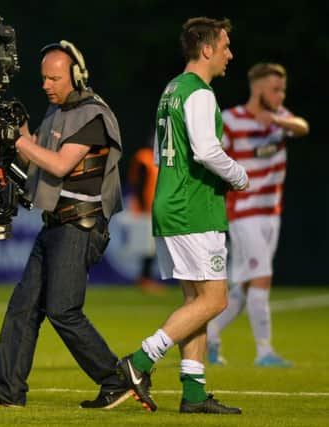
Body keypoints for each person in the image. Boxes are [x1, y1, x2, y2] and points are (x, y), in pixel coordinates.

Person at [0, 40, 130, 409]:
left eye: (54, 78)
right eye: (43, 78)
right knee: (23, 307)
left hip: (80, 225)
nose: (46, 85)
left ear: (77, 76)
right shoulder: (58, 111)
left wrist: (20, 140)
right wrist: (15, 125)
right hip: (55, 224)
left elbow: (59, 165)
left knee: (63, 310)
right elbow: (37, 159)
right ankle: (7, 392)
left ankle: (116, 379)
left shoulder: (93, 115)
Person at [116, 17, 249, 414]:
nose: (229, 54)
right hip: (193, 209)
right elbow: (207, 151)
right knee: (216, 300)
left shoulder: (171, 89)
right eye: (225, 46)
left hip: (172, 202)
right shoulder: (200, 93)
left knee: (196, 301)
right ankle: (139, 362)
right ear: (206, 49)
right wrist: (239, 176)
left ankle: (193, 393)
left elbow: (161, 153)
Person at [206, 63, 309, 367]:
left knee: (247, 283)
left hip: (270, 212)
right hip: (243, 212)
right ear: (259, 88)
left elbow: (303, 127)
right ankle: (264, 351)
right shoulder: (231, 120)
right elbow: (212, 157)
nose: (280, 95)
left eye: (282, 90)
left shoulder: (281, 120)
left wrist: (277, 119)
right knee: (261, 276)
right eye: (276, 89)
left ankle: (210, 333)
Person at [126, 136, 166, 293]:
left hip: (158, 208)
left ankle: (145, 277)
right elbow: (139, 183)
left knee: (153, 246)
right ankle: (144, 278)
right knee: (148, 246)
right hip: (147, 208)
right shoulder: (144, 156)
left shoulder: (160, 158)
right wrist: (139, 204)